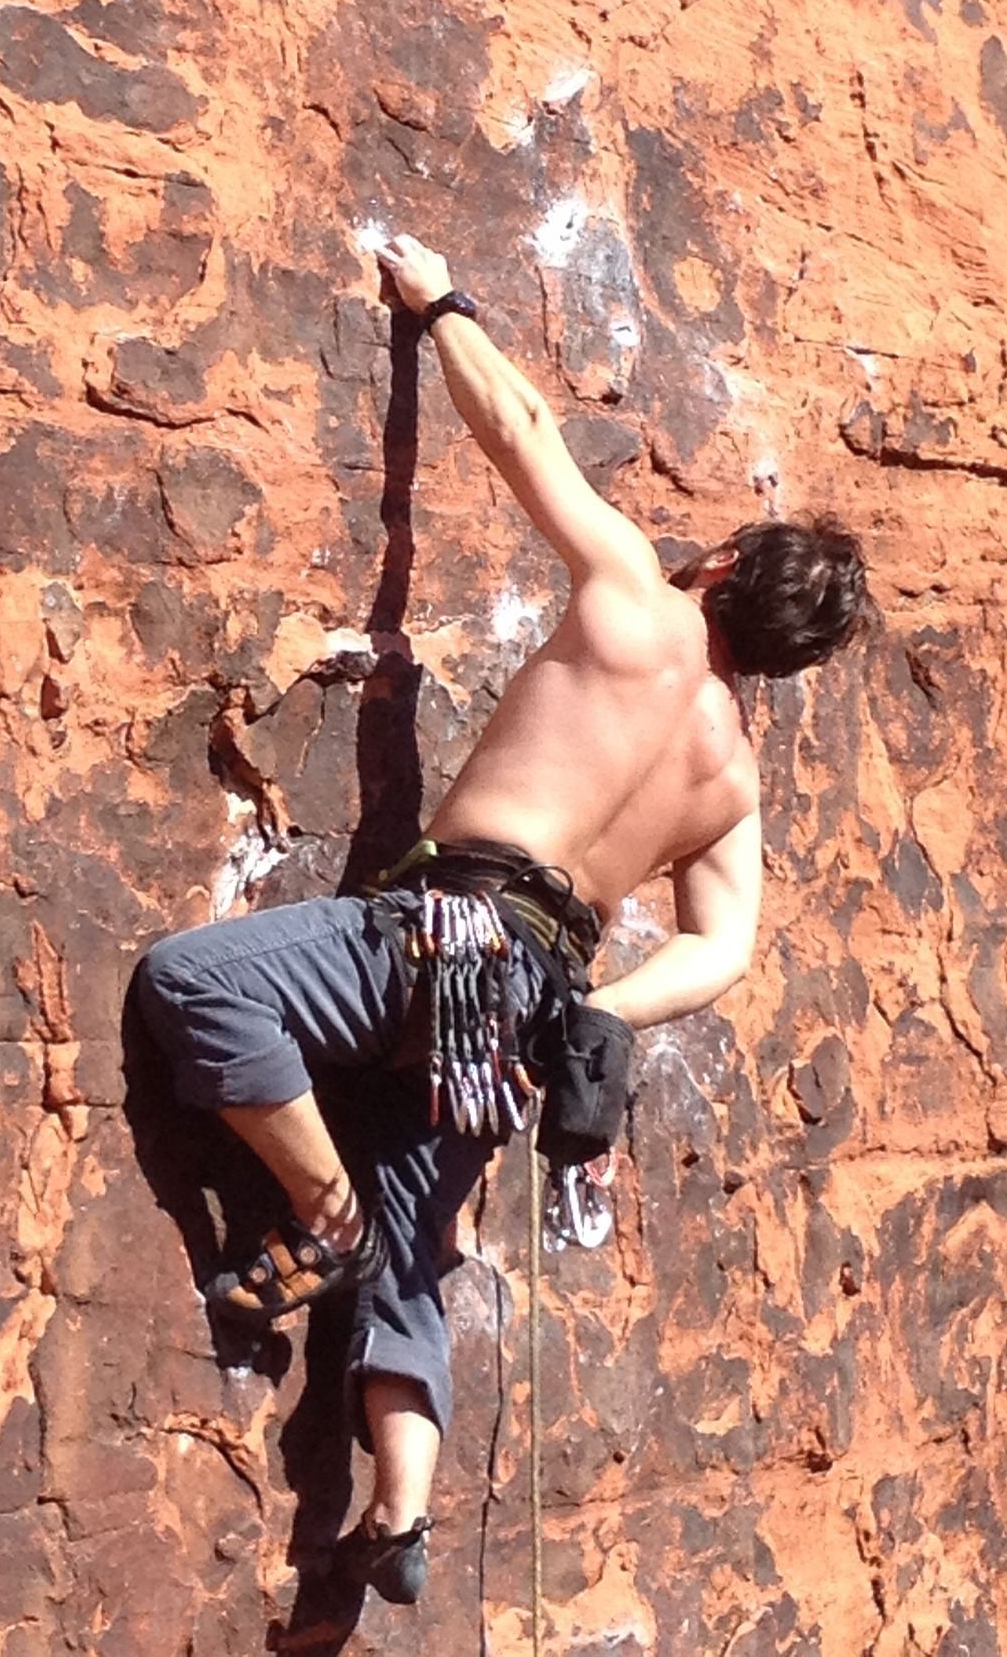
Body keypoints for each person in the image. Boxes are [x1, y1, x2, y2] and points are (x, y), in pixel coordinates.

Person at [137, 233, 870, 1607]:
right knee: (419, 1257)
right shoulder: (735, 781)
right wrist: (600, 1008)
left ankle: (319, 1205)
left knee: (196, 984)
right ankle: (399, 1512)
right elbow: (724, 948)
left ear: (722, 568)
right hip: (528, 1009)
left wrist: (442, 305)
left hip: (443, 937)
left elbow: (522, 432)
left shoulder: (633, 605)